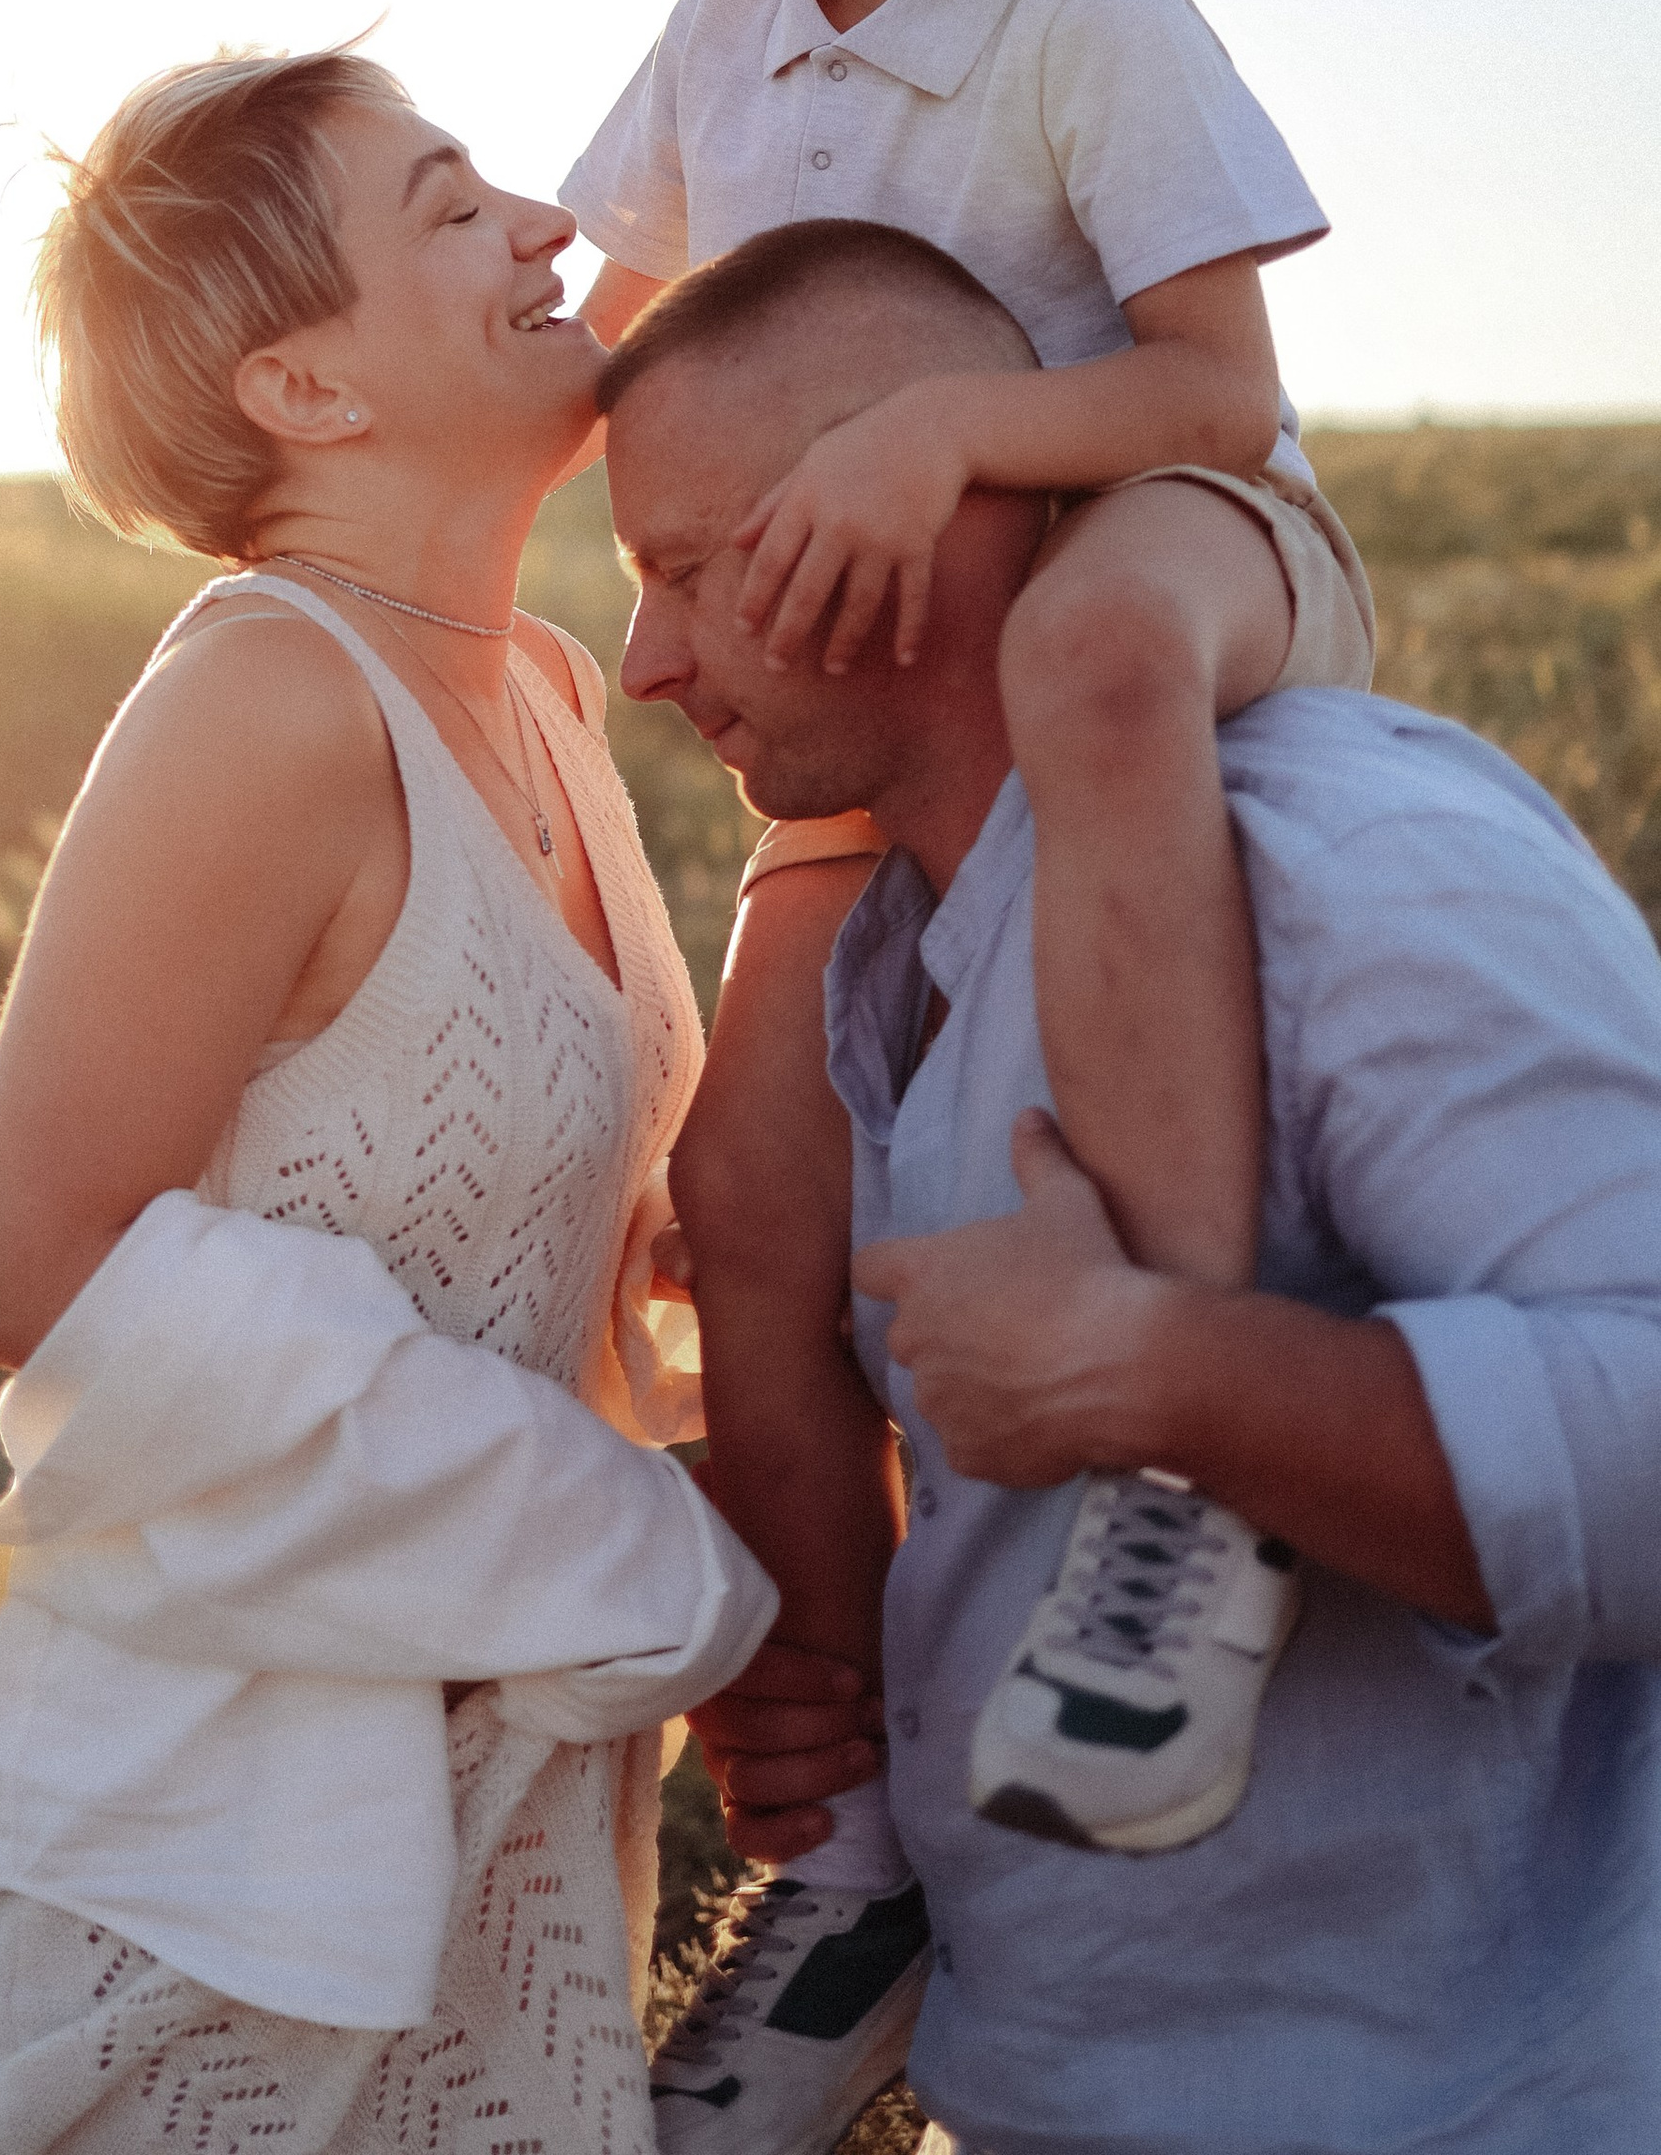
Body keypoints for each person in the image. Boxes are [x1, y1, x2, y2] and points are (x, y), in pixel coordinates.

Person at [565, 0, 1375, 2055]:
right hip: (885, 686)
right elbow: (623, 338)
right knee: (748, 1195)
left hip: (1169, 544)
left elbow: (1220, 388)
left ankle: (1186, 1468)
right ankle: (847, 1839)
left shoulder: (1087, 15)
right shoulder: (723, 20)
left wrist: (947, 446)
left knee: (1095, 664)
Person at [605, 215, 1661, 2155]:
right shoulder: (880, 975)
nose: (644, 660)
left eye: (681, 570)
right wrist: (841, 1693)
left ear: (908, 523)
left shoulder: (1342, 860)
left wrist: (1161, 1377)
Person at [0, 44, 799, 2155]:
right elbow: (38, 1270)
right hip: (222, 1865)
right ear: (300, 392)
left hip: (504, 1807)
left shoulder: (547, 689)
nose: (548, 223)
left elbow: (483, 1212)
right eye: (445, 205)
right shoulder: (266, 691)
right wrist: (664, 1563)